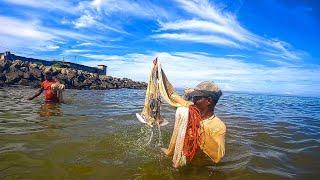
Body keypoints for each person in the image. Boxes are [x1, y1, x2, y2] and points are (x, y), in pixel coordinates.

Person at [161, 81, 226, 168]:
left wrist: (197, 133)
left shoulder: (217, 126)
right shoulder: (190, 110)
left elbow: (217, 157)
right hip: (178, 156)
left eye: (196, 97)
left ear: (208, 101)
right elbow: (172, 96)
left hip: (195, 165)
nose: (193, 100)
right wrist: (159, 74)